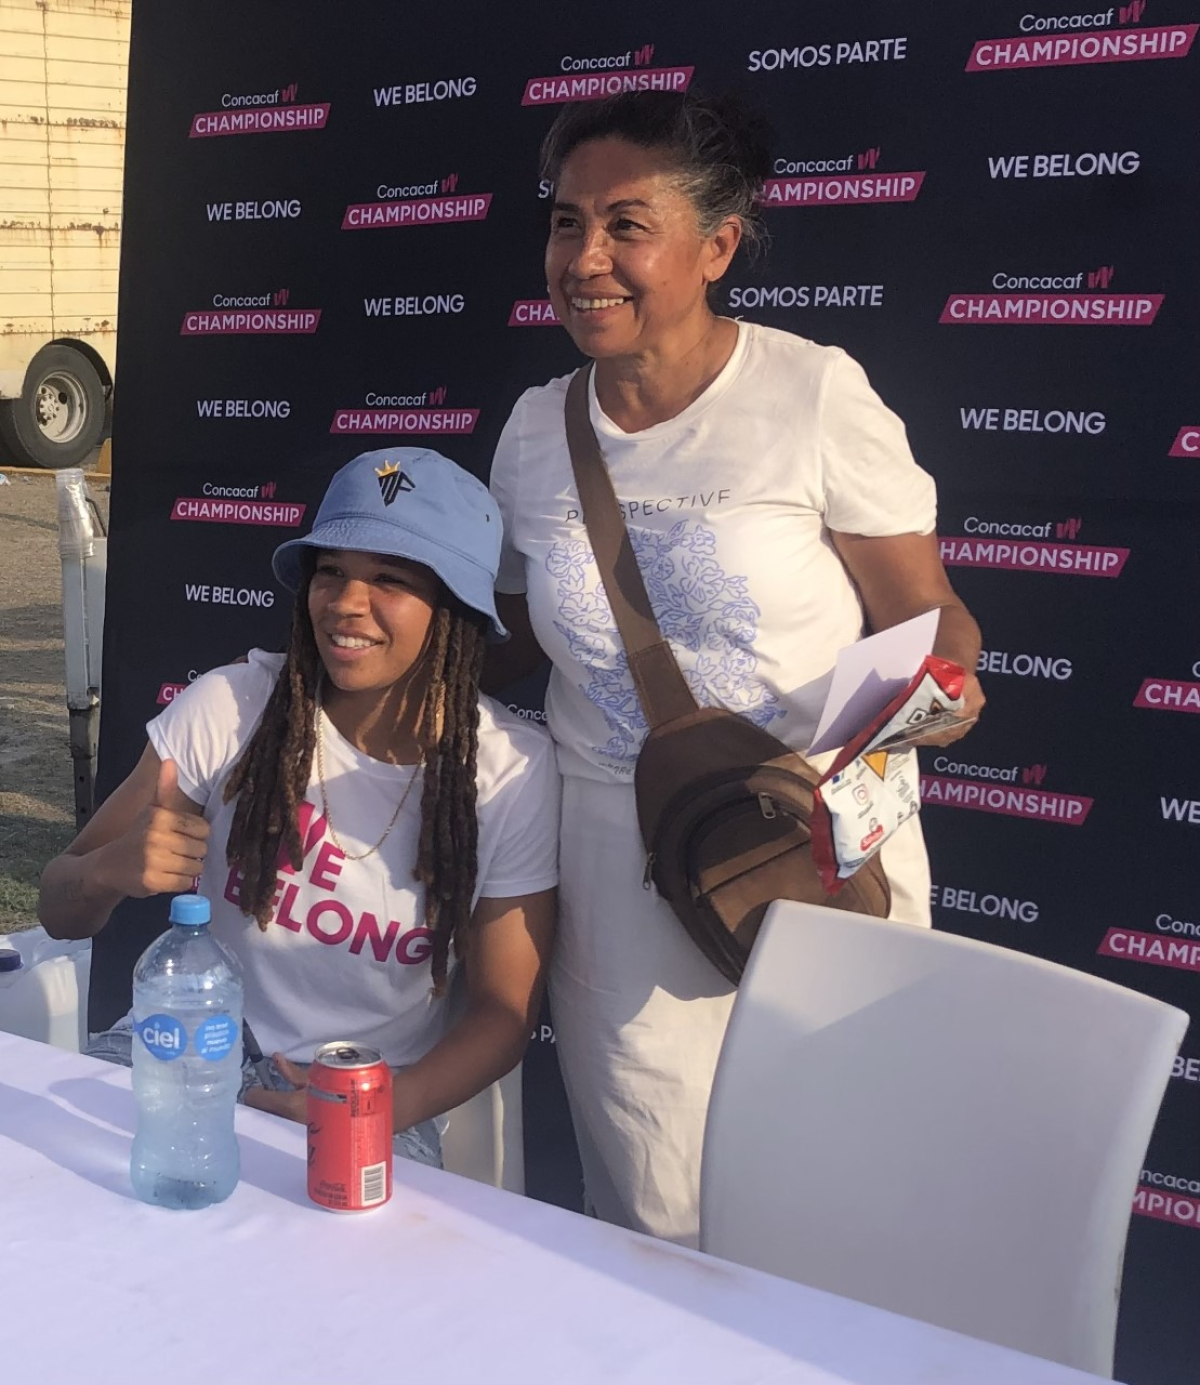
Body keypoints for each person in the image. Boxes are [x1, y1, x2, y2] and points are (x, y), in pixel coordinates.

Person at [486, 90, 985, 1241]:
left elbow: (935, 618)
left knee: (843, 1181)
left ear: (718, 244)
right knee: (656, 1195)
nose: (586, 258)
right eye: (566, 223)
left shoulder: (810, 392)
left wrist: (912, 719)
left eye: (626, 224)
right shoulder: (529, 429)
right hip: (617, 850)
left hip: (815, 836)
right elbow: (511, 632)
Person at [40, 448, 560, 1165]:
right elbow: (58, 906)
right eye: (331, 570)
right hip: (183, 1051)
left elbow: (505, 1011)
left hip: (368, 1094)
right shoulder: (232, 705)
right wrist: (110, 870)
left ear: (455, 610)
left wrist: (385, 1101)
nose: (347, 602)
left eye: (390, 579)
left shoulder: (511, 771)